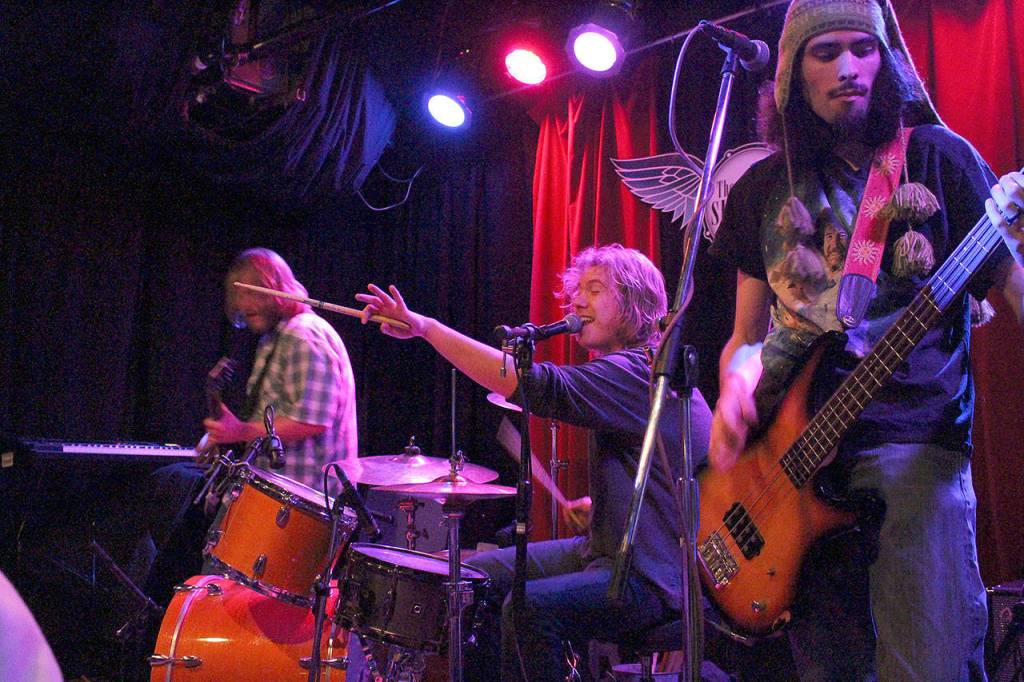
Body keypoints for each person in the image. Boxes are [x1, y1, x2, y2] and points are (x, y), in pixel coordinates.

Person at [708, 1, 1024, 680]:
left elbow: (1012, 286)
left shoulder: (936, 157)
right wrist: (734, 386)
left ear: (886, 61)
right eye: (826, 54)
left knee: (927, 665)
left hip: (914, 450)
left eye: (863, 49)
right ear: (791, 73)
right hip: (793, 474)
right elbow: (745, 338)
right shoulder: (762, 186)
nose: (849, 67)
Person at [356, 244, 714, 681]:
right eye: (577, 289)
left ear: (636, 304)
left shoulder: (638, 371)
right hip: (607, 552)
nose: (577, 301)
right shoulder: (637, 370)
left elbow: (535, 386)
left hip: (651, 576)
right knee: (471, 577)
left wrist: (426, 328)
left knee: (528, 611)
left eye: (595, 289)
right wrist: (604, 509)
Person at [142, 247, 359, 605]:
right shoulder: (278, 336)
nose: (245, 307)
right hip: (280, 507)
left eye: (254, 295)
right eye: (239, 298)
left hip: (298, 510)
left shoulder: (302, 335)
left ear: (276, 288)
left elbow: (313, 419)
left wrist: (240, 432)